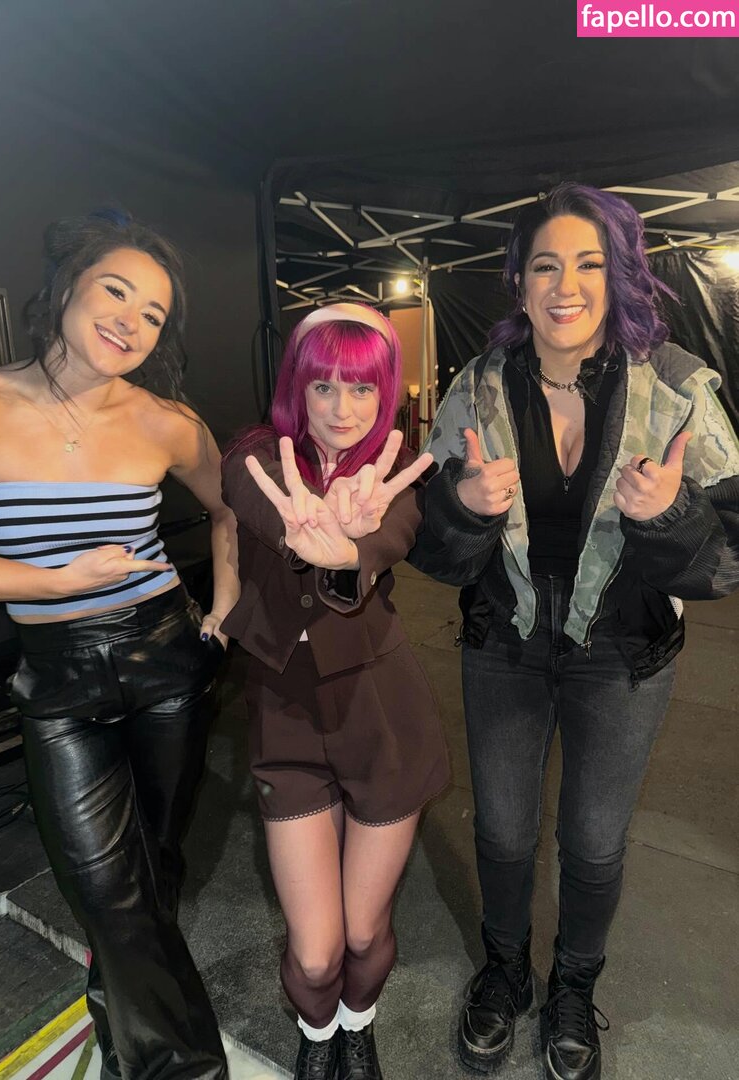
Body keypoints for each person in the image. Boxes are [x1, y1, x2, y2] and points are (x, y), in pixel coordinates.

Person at [410, 183, 739, 1080]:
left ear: (619, 274)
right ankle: (506, 972)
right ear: (518, 282)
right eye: (546, 265)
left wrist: (670, 517)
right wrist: (463, 507)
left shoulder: (675, 387)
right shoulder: (478, 385)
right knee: (503, 833)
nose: (567, 286)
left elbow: (726, 559)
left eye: (590, 264)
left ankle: (573, 987)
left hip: (625, 657)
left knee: (593, 843)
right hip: (503, 649)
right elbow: (432, 550)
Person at [0, 211, 238, 1079]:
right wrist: (53, 582)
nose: (131, 322)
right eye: (117, 292)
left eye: (153, 315)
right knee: (105, 888)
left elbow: (231, 510)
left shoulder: (167, 421)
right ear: (67, 286)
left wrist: (226, 607)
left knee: (153, 873)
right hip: (59, 684)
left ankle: (125, 1026)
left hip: (167, 662)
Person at [221, 302, 450, 1080]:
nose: (341, 409)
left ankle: (357, 1027)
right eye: (323, 386)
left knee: (361, 933)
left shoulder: (392, 473)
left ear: (384, 393)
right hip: (285, 719)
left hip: (382, 715)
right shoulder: (257, 456)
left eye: (361, 388)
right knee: (316, 954)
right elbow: (254, 497)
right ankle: (316, 1033)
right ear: (297, 386)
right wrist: (304, 526)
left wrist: (350, 552)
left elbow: (390, 535)